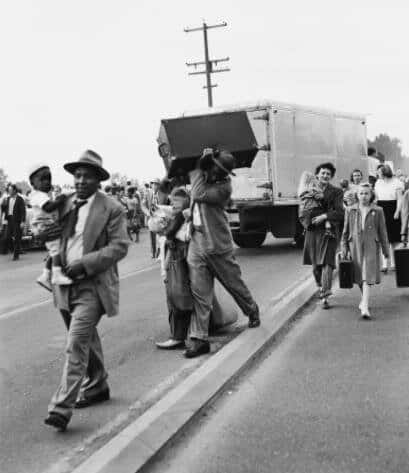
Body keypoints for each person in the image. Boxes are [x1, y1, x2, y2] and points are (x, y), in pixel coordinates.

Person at [44, 150, 129, 432]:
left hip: (92, 285)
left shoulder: (112, 208)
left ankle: (61, 407)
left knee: (76, 342)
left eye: (87, 176)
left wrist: (84, 264)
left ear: (98, 180)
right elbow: (51, 232)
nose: (80, 181)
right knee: (85, 338)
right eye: (77, 175)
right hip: (63, 285)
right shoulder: (64, 203)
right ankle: (98, 385)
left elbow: (119, 247)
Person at [185, 148, 260, 358]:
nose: (217, 173)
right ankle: (199, 338)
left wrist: (200, 165)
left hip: (218, 245)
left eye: (221, 171)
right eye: (214, 168)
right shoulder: (205, 179)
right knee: (200, 293)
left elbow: (197, 194)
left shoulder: (224, 187)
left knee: (234, 284)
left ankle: (252, 309)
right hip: (197, 241)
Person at [341, 183, 389, 319]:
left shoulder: (378, 210)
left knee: (367, 274)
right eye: (361, 193)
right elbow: (345, 231)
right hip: (354, 245)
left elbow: (383, 231)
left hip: (371, 245)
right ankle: (363, 299)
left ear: (371, 195)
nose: (363, 196)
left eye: (366, 193)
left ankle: (365, 306)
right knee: (359, 275)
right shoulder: (350, 210)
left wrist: (386, 250)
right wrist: (344, 247)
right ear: (357, 195)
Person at [302, 162, 344, 309]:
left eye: (328, 173)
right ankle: (320, 286)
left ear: (331, 176)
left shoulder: (337, 192)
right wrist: (306, 221)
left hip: (329, 230)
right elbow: (302, 208)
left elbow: (339, 212)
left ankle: (325, 295)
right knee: (316, 266)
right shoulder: (308, 189)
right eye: (323, 173)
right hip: (313, 231)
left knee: (327, 263)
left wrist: (324, 216)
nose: (325, 175)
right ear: (317, 174)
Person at [156, 187, 192, 349]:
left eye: (177, 201)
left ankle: (177, 337)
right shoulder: (176, 216)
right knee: (178, 298)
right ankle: (182, 334)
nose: (173, 204)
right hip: (175, 262)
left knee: (176, 299)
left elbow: (187, 236)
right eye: (172, 201)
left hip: (182, 263)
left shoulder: (188, 215)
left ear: (186, 200)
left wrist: (171, 234)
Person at [28, 164, 72, 289]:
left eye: (49, 178)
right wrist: (61, 199)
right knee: (56, 250)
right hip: (46, 227)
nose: (47, 182)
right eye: (42, 179)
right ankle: (56, 275)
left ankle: (45, 275)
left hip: (46, 225)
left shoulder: (41, 195)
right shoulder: (38, 196)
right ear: (32, 183)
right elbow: (48, 207)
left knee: (53, 252)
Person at [374, 164, 404, 271]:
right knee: (384, 237)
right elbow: (376, 198)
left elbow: (400, 199)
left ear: (385, 171)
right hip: (381, 208)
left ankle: (395, 264)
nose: (377, 173)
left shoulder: (397, 182)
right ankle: (385, 264)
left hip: (393, 208)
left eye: (379, 172)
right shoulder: (378, 183)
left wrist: (397, 211)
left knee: (395, 238)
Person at [298, 171, 335, 238]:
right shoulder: (314, 189)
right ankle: (328, 230)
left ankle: (305, 229)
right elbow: (321, 198)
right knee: (328, 212)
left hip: (303, 212)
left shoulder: (302, 190)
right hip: (313, 211)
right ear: (312, 180)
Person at [1, 184, 26, 260]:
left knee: (17, 238)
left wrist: (22, 221)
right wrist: (3, 205)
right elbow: (4, 209)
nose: (9, 191)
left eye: (10, 190)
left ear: (14, 190)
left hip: (16, 220)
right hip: (9, 220)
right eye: (8, 190)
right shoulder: (7, 199)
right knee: (6, 237)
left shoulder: (20, 199)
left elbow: (23, 211)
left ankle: (16, 255)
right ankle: (14, 250)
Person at [142, 178, 161, 258]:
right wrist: (147, 213)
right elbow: (143, 205)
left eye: (157, 184)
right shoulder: (148, 193)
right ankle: (153, 252)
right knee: (152, 235)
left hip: (161, 217)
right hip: (151, 217)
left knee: (161, 235)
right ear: (151, 185)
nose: (155, 186)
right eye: (153, 184)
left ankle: (160, 250)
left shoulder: (163, 193)